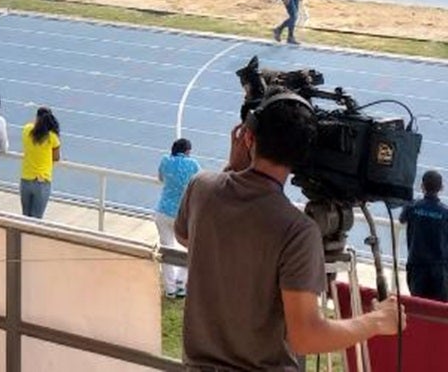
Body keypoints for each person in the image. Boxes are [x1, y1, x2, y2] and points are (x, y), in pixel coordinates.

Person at [174, 93, 405, 369]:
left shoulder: (201, 187)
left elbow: (187, 236)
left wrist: (233, 170)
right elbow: (305, 337)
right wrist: (376, 321)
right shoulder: (297, 231)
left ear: (248, 138)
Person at [155, 138, 200, 298]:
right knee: (188, 248)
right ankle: (181, 283)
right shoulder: (193, 165)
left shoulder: (165, 161)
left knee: (166, 250)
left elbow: (161, 178)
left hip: (163, 212)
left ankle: (170, 288)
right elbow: (199, 184)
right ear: (188, 151)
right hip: (184, 215)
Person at [400, 169, 448, 302]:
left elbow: (402, 219)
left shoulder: (413, 207)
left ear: (422, 186)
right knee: (439, 309)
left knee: (418, 304)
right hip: (439, 269)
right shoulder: (445, 213)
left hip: (417, 266)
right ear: (441, 188)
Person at [19, 107, 61, 218]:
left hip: (26, 178)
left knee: (25, 216)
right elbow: (56, 157)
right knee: (37, 219)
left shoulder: (27, 130)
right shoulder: (52, 137)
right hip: (42, 181)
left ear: (37, 117)